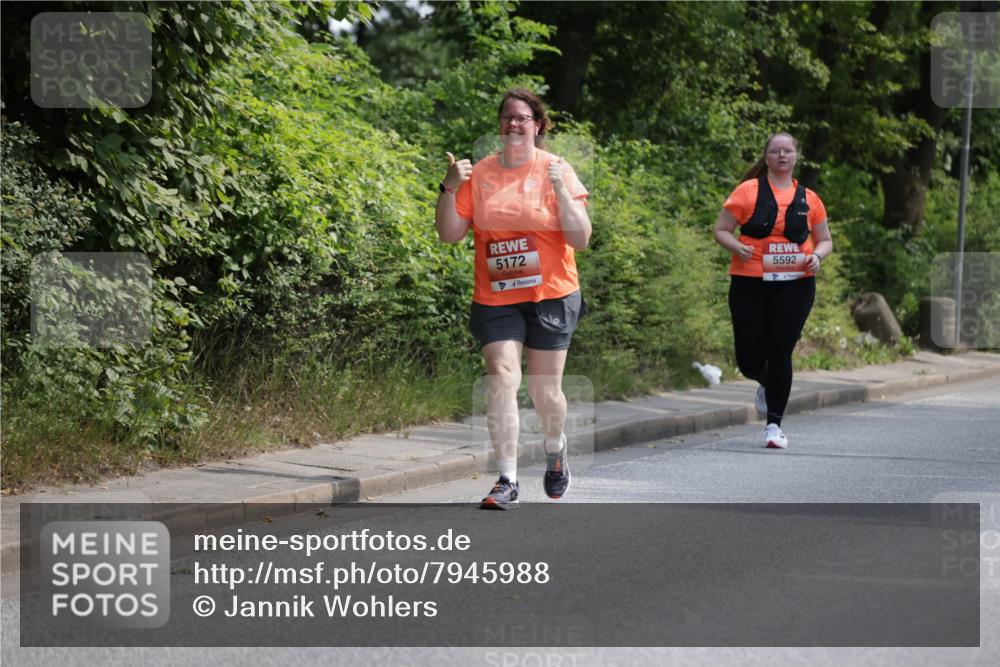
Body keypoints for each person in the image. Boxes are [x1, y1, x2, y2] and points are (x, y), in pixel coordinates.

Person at [435, 88, 591, 509]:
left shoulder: (557, 169)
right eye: (507, 117)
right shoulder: (481, 174)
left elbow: (581, 237)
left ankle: (555, 450)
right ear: (500, 126)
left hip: (552, 293)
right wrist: (448, 189)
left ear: (537, 126)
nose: (514, 124)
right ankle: (506, 480)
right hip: (496, 294)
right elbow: (449, 234)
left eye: (523, 117)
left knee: (545, 392)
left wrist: (560, 192)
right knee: (502, 376)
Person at [712, 132, 833, 449]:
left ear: (796, 157)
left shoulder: (810, 199)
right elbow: (721, 230)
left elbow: (825, 240)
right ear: (766, 157)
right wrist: (738, 247)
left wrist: (817, 256)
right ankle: (769, 382)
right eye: (776, 151)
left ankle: (774, 426)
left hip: (796, 284)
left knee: (780, 351)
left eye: (788, 151)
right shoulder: (747, 192)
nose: (782, 156)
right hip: (749, 281)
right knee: (748, 359)